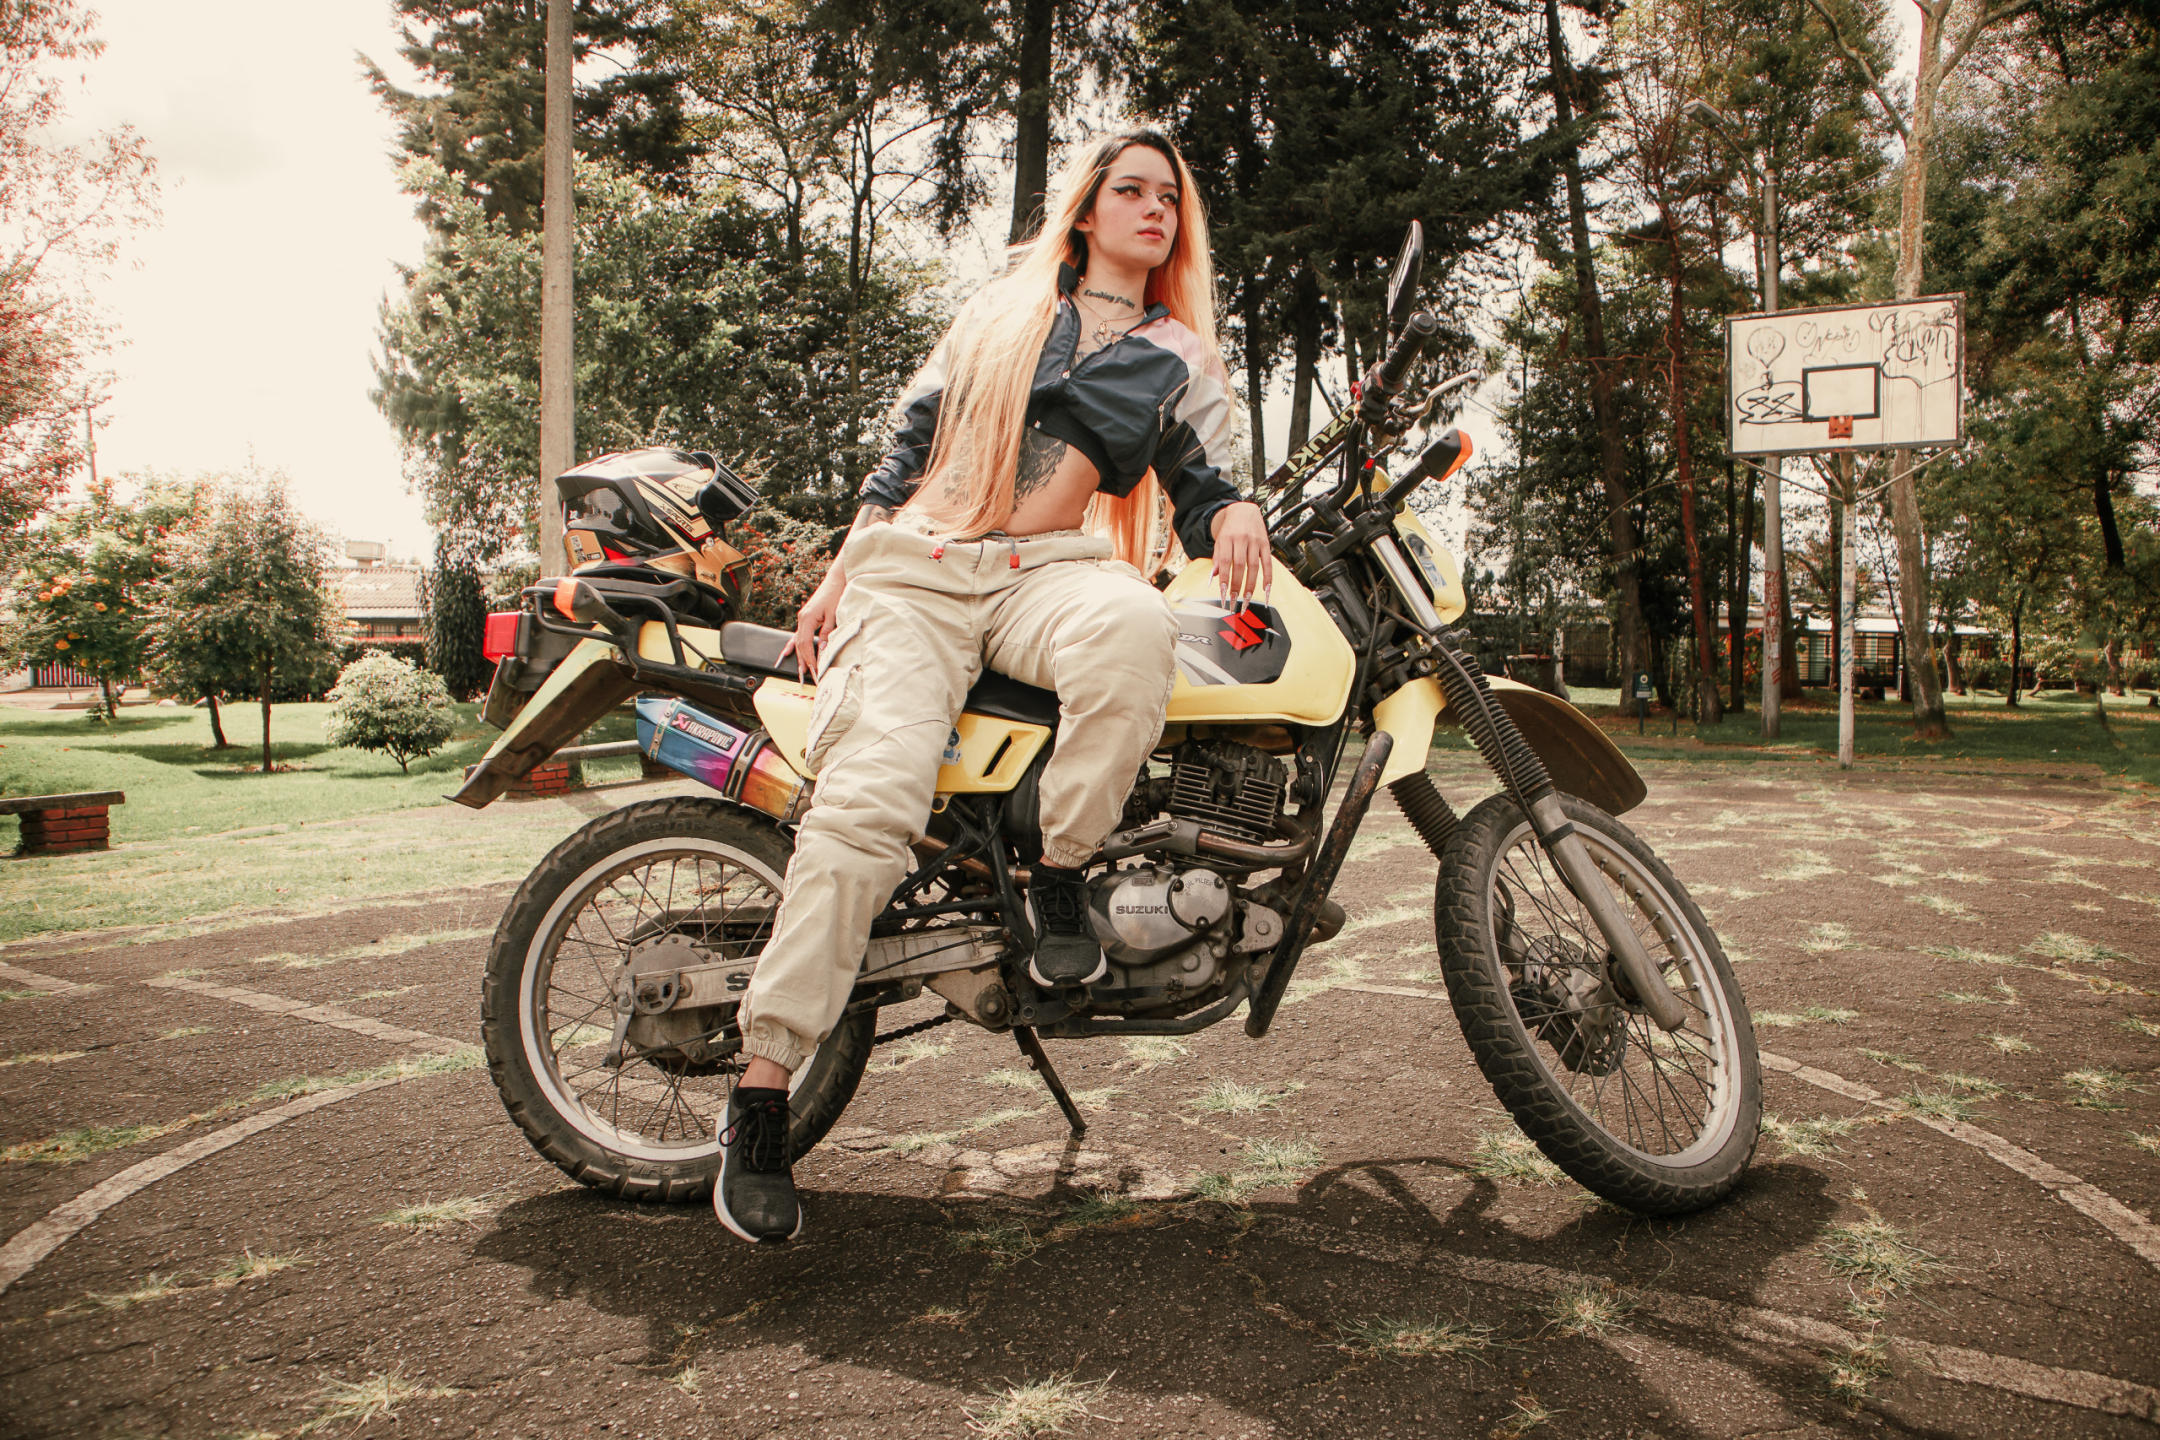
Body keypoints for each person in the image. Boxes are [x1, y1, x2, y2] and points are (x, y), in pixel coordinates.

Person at [714, 130, 1273, 1244]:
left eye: (1170, 197)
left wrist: (1238, 509)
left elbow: (1202, 482)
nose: (1153, 209)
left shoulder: (1179, 355)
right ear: (1088, 210)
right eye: (1131, 190)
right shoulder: (996, 313)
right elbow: (903, 455)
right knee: (868, 808)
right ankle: (763, 1092)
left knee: (1137, 629)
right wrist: (837, 577)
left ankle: (1058, 866)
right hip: (917, 573)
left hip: (1046, 573)